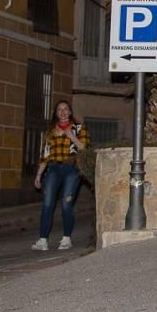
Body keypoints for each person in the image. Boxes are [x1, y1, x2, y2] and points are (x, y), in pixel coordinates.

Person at [32, 100, 90, 250]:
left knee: (66, 203)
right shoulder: (50, 132)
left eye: (65, 109)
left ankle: (66, 238)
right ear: (56, 113)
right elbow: (45, 155)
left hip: (71, 169)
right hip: (54, 169)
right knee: (47, 203)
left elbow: (84, 148)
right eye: (59, 110)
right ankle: (43, 240)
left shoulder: (79, 128)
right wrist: (39, 175)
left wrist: (71, 136)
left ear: (70, 112)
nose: (63, 112)